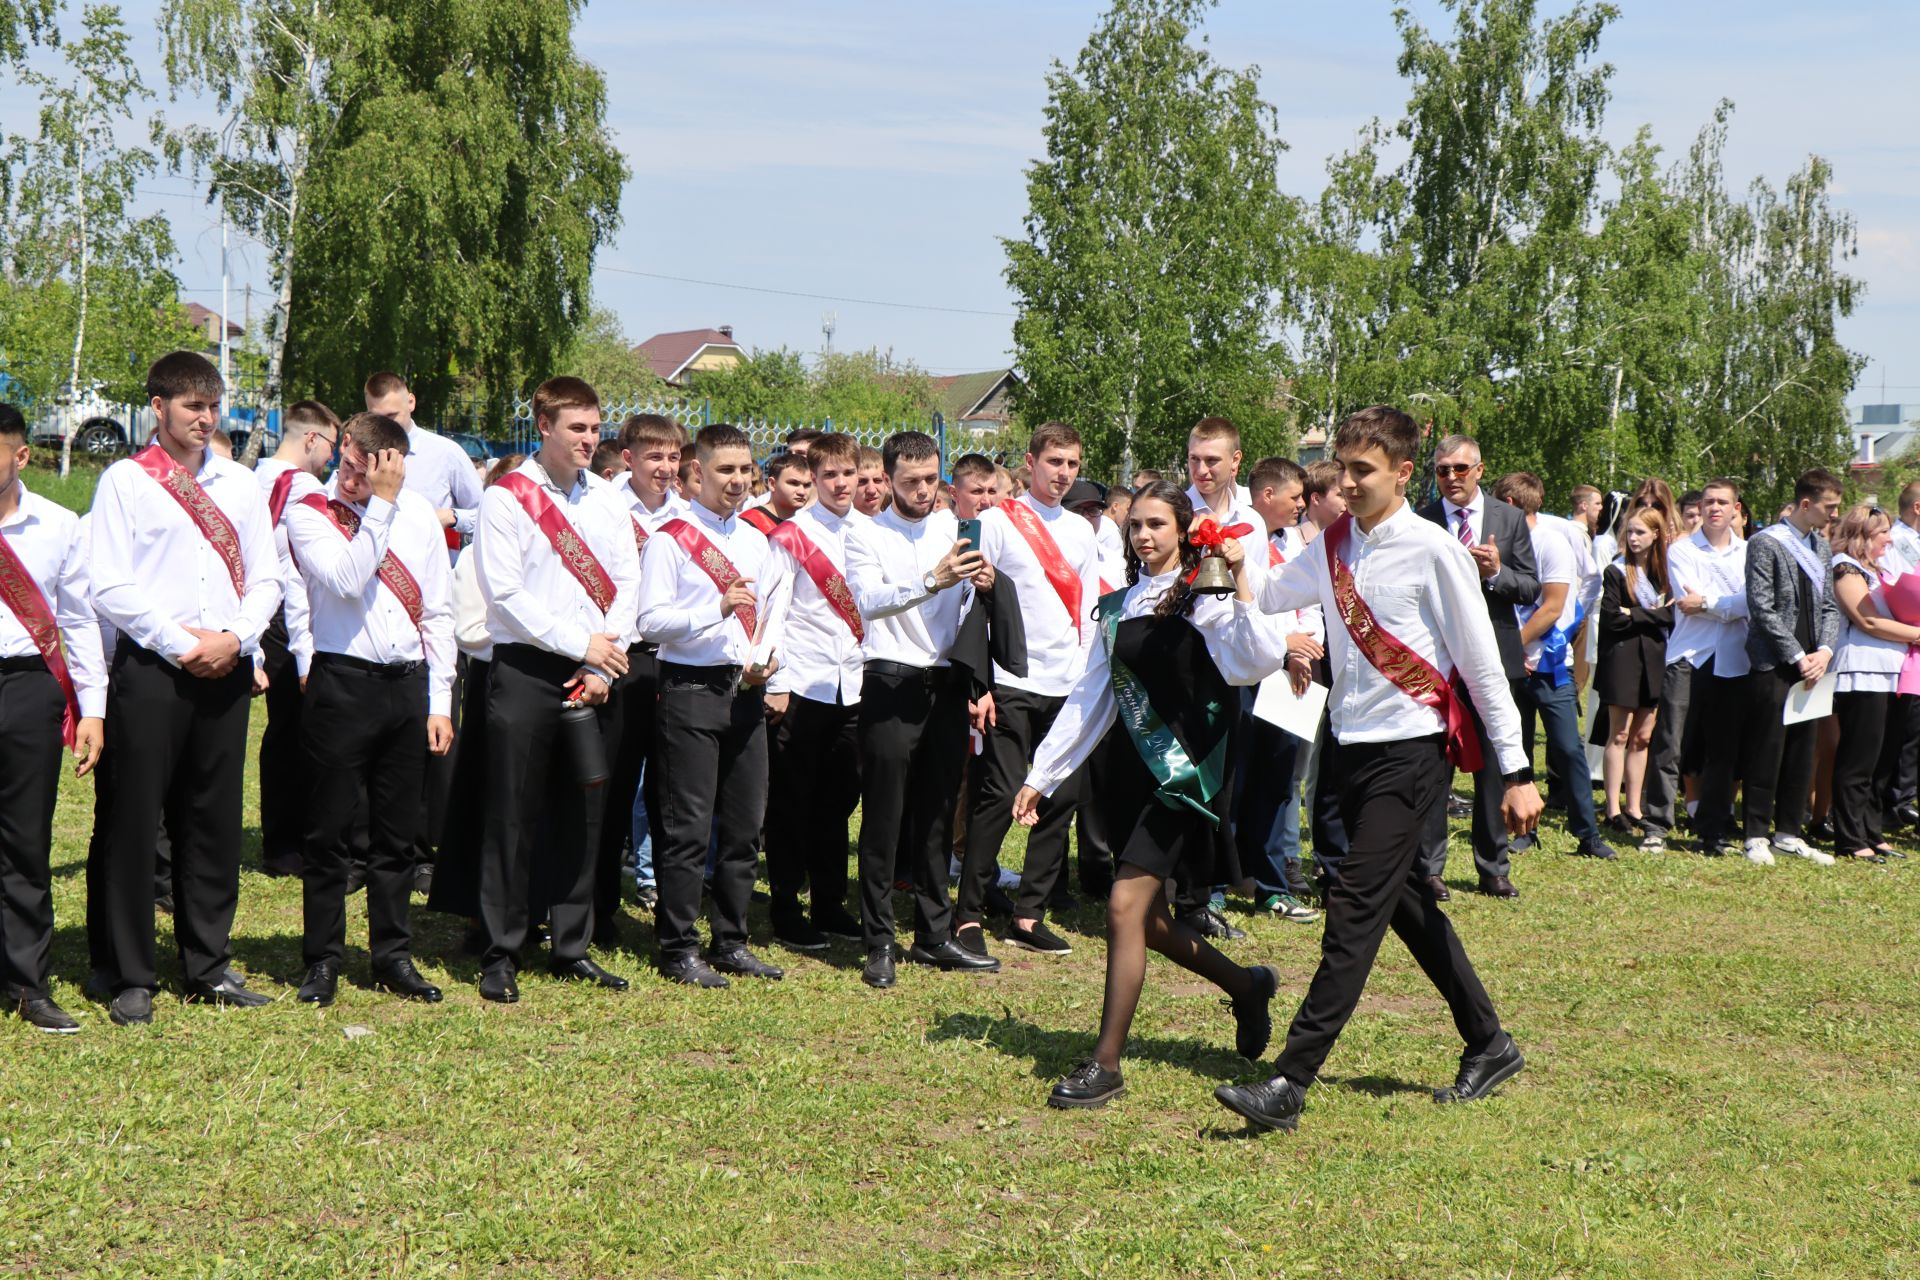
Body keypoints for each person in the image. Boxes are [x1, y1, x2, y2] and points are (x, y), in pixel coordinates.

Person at [1216, 406, 1540, 1134]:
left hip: (1411, 753)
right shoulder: (1332, 543)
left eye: (1364, 470)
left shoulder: (1432, 550)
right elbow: (1270, 597)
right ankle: (1489, 1043)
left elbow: (1482, 669)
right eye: (1344, 467)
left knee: (1354, 912)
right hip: (1346, 748)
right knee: (1400, 904)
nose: (1348, 483)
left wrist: (1517, 770)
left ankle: (1291, 1080)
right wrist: (1239, 559)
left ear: (1401, 472)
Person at [1014, 483, 1287, 1109]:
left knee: (1121, 908)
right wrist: (1042, 775)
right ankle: (1246, 985)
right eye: (1135, 524)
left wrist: (1240, 583)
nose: (1143, 535)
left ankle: (1105, 1063)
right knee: (1151, 922)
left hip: (1184, 778)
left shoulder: (1205, 595)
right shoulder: (1120, 603)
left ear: (1184, 530)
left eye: (1157, 524)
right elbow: (1092, 697)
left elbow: (1259, 658)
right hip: (1128, 775)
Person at [87, 351, 283, 1026]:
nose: (206, 417)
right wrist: (180, 642)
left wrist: (233, 638)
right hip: (152, 671)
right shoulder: (125, 482)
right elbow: (107, 582)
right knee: (136, 820)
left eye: (213, 405)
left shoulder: (241, 485)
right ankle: (129, 972)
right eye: (192, 405)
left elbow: (268, 579)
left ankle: (208, 964)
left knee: (214, 821)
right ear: (158, 407)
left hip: (226, 668)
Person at [472, 376, 641, 1002]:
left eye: (596, 429)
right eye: (577, 428)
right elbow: (506, 595)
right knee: (514, 814)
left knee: (584, 814)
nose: (589, 440)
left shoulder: (606, 500)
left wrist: (601, 662)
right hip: (526, 669)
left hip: (597, 673)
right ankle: (501, 950)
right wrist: (582, 646)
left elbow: (629, 581)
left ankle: (572, 946)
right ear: (543, 425)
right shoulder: (507, 498)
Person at [286, 412, 455, 1005]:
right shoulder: (310, 512)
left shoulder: (419, 516)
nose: (349, 474)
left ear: (392, 463)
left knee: (397, 834)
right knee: (329, 830)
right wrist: (377, 508)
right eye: (347, 461)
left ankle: (392, 955)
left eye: (365, 466)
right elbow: (348, 579)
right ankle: (323, 958)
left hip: (407, 687)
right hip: (342, 683)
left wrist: (439, 700)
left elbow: (438, 612)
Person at [844, 430, 1000, 987]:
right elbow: (869, 601)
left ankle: (934, 935)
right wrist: (933, 579)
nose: (923, 490)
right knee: (884, 816)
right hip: (890, 680)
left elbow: (971, 613)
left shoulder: (955, 528)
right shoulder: (863, 532)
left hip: (947, 682)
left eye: (932, 479)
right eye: (911, 481)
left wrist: (982, 585)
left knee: (937, 813)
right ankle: (879, 940)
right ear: (886, 479)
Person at [636, 423, 783, 988]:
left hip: (744, 693)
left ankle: (731, 940)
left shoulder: (755, 540)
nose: (738, 481)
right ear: (697, 471)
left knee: (745, 827)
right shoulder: (671, 538)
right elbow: (649, 623)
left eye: (746, 470)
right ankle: (677, 947)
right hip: (688, 692)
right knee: (687, 830)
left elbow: (770, 616)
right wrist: (715, 610)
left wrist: (770, 663)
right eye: (726, 470)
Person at [956, 422, 1100, 958]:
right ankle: (967, 915)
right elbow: (970, 605)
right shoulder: (994, 521)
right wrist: (980, 684)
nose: (1063, 474)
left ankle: (1028, 913)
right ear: (1030, 461)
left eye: (1072, 464)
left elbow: (1085, 612)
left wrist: (1088, 677)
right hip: (1011, 680)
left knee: (1061, 797)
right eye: (1054, 461)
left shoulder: (1084, 531)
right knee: (998, 795)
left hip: (1068, 683)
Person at [0, 404, 107, 1033]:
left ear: (21, 456)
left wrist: (91, 708)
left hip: (27, 689)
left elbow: (78, 621)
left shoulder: (60, 525)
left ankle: (26, 982)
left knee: (23, 840)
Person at [1697, 469, 1843, 865]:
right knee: (1767, 747)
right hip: (1774, 661)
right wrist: (1796, 654)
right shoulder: (1765, 543)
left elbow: (1830, 605)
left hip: (1814, 663)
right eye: (1829, 507)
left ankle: (1789, 832)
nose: (1834, 515)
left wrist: (1825, 650)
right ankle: (1756, 834)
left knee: (1803, 749)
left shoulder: (1822, 547)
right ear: (1807, 504)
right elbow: (1761, 607)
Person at [1418, 434, 1539, 899]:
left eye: (1460, 469)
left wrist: (1495, 574)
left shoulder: (1508, 519)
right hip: (1437, 662)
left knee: (1494, 767)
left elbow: (1530, 587)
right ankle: (1429, 868)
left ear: (1480, 470)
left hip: (1496, 655)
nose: (1451, 478)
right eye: (1442, 470)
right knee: (1434, 768)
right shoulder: (1422, 521)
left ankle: (1494, 867)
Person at [758, 432, 867, 950]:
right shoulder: (792, 535)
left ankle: (829, 902)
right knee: (791, 803)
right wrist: (775, 683)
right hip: (802, 684)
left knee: (838, 801)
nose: (841, 483)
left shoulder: (871, 532)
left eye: (850, 474)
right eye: (830, 476)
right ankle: (785, 907)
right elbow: (773, 610)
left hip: (855, 686)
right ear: (815, 479)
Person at [1494, 472, 1615, 860]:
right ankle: (1523, 829)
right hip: (1512, 665)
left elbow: (1554, 607)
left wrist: (1519, 649)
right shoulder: (1497, 543)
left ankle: (1588, 834)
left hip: (1548, 665)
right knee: (1518, 748)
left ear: (1510, 505)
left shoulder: (1551, 542)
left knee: (1566, 747)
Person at [599, 414, 688, 920]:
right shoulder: (604, 506)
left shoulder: (687, 514)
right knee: (613, 787)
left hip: (674, 661)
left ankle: (669, 911)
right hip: (622, 658)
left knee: (669, 792)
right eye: (655, 457)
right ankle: (601, 905)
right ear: (628, 458)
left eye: (673, 457)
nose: (666, 467)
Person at [253, 400, 340, 878]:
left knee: (280, 732)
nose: (330, 457)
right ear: (311, 439)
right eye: (330, 444)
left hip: (255, 618)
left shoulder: (246, 478)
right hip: (292, 621)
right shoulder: (306, 489)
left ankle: (279, 841)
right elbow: (306, 573)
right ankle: (299, 839)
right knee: (304, 733)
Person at [1641, 479, 1750, 853]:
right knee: (1670, 742)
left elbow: (1748, 603)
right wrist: (1728, 606)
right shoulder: (1682, 549)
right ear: (1699, 508)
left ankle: (1713, 827)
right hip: (1688, 656)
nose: (1715, 508)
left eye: (1723, 502)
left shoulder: (1748, 553)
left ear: (1736, 509)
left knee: (1723, 747)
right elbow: (1689, 599)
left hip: (1734, 660)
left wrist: (1712, 604)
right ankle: (1656, 823)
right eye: (1708, 502)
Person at [1239, 456, 1323, 920]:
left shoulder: (1296, 542)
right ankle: (1219, 881)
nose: (1301, 505)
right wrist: (1282, 646)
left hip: (1295, 674)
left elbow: (1312, 603)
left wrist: (1306, 648)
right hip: (1248, 670)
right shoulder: (1240, 533)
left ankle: (1272, 886)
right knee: (1236, 781)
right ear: (1268, 496)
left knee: (1278, 783)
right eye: (1295, 497)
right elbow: (1242, 606)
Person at [1827, 505, 1917, 862]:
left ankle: (1872, 830)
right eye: (1882, 533)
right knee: (1858, 759)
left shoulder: (1879, 570)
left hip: (1893, 670)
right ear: (1863, 534)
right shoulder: (1844, 567)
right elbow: (1869, 622)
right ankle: (1849, 837)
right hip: (1861, 672)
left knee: (1882, 760)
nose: (1889, 539)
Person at [1597, 508, 1674, 833]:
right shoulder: (1616, 571)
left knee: (1642, 737)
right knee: (1619, 733)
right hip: (1623, 659)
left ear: (1656, 534)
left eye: (1640, 532)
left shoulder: (1665, 573)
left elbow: (1672, 617)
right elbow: (1612, 617)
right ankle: (1613, 809)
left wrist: (1636, 612)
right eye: (1630, 532)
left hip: (1655, 658)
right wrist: (1651, 613)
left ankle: (1635, 807)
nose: (1633, 538)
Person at [363, 372, 485, 556]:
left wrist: (452, 517)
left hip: (434, 574)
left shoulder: (446, 453)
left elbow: (486, 516)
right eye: (377, 418)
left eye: (392, 416)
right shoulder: (362, 456)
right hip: (377, 573)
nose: (385, 425)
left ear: (411, 402)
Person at [742, 450, 811, 534]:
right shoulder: (748, 524)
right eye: (793, 483)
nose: (802, 492)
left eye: (807, 485)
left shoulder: (806, 525)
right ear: (772, 484)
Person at [854, 446, 890, 517]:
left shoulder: (897, 526)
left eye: (877, 480)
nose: (871, 490)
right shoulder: (835, 527)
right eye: (862, 482)